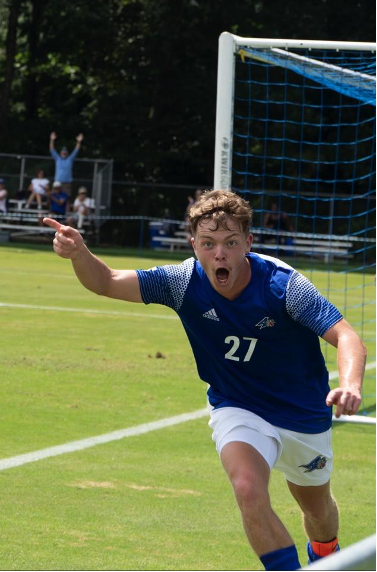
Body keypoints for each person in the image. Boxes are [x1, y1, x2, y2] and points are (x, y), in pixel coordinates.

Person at [43, 189, 366, 571]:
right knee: (247, 488)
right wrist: (80, 253)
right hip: (238, 406)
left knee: (318, 514)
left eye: (230, 243)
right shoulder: (181, 282)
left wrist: (350, 384)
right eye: (209, 243)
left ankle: (325, 552)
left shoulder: (284, 287)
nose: (220, 254)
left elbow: (346, 336)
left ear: (248, 242)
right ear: (193, 244)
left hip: (303, 414)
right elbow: (107, 281)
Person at [49, 131, 84, 198]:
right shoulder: (57, 158)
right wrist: (51, 140)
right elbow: (52, 149)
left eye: (65, 153)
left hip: (67, 183)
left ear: (67, 153)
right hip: (57, 183)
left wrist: (79, 141)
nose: (64, 154)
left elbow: (76, 150)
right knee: (54, 197)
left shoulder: (70, 159)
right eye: (63, 153)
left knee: (66, 199)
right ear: (60, 153)